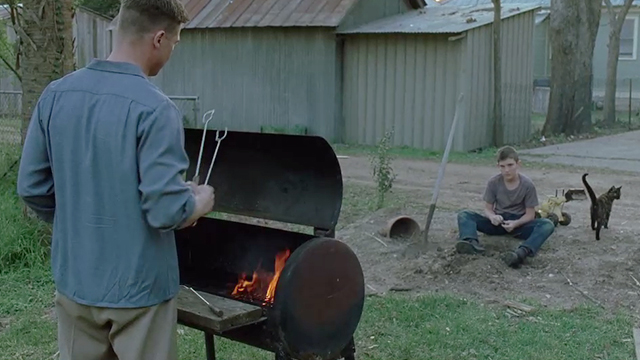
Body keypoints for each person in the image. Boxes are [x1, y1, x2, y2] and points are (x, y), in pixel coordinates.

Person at [16, 0, 214, 359]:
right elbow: (166, 211)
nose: (172, 51)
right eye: (175, 42)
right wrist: (198, 200)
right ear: (158, 38)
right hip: (140, 295)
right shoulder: (156, 110)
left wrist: (81, 221)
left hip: (76, 283)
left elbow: (31, 187)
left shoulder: (55, 95)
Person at [455, 146, 555, 268]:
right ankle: (471, 244)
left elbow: (530, 214)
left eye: (510, 165)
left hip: (519, 224)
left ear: (518, 164)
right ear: (498, 166)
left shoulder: (528, 185)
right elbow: (488, 208)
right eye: (502, 166)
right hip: (498, 222)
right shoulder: (493, 182)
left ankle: (521, 253)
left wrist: (516, 223)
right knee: (464, 215)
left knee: (547, 224)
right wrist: (492, 217)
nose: (506, 170)